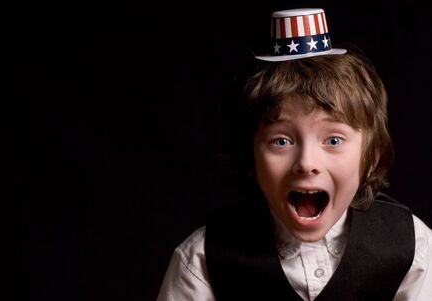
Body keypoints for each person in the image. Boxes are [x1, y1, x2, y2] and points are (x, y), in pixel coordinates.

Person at [157, 8, 432, 300]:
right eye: (281, 141)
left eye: (334, 139)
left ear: (371, 157)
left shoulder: (411, 247)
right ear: (250, 156)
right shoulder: (203, 260)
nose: (306, 163)